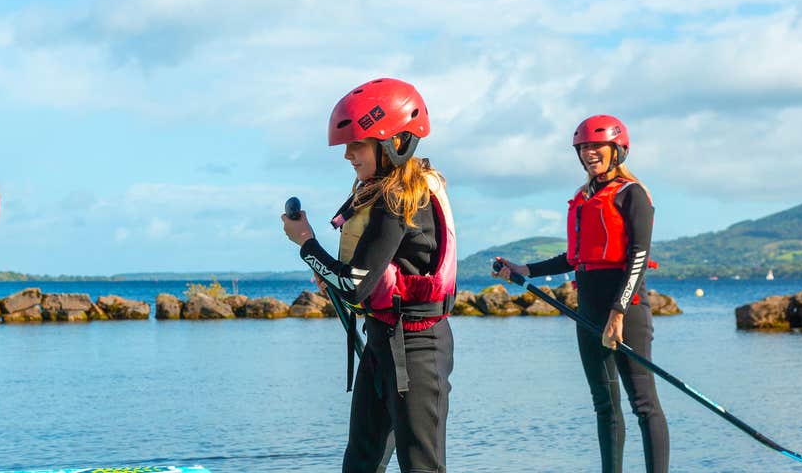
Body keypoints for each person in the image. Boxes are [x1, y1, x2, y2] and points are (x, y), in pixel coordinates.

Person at [283, 78, 456, 473]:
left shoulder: (399, 200)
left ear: (394, 142)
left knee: (421, 465)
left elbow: (355, 287)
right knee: (361, 462)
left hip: (417, 350)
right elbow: (358, 277)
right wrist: (327, 269)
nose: (348, 154)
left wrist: (306, 243)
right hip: (382, 340)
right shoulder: (380, 192)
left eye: (357, 144)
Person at [494, 115, 669, 473]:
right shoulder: (583, 198)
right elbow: (574, 258)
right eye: (584, 148)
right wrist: (526, 270)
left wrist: (618, 312)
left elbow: (638, 257)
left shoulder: (631, 194)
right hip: (587, 308)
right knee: (604, 404)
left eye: (597, 146)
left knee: (643, 403)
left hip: (626, 310)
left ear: (617, 150)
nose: (590, 153)